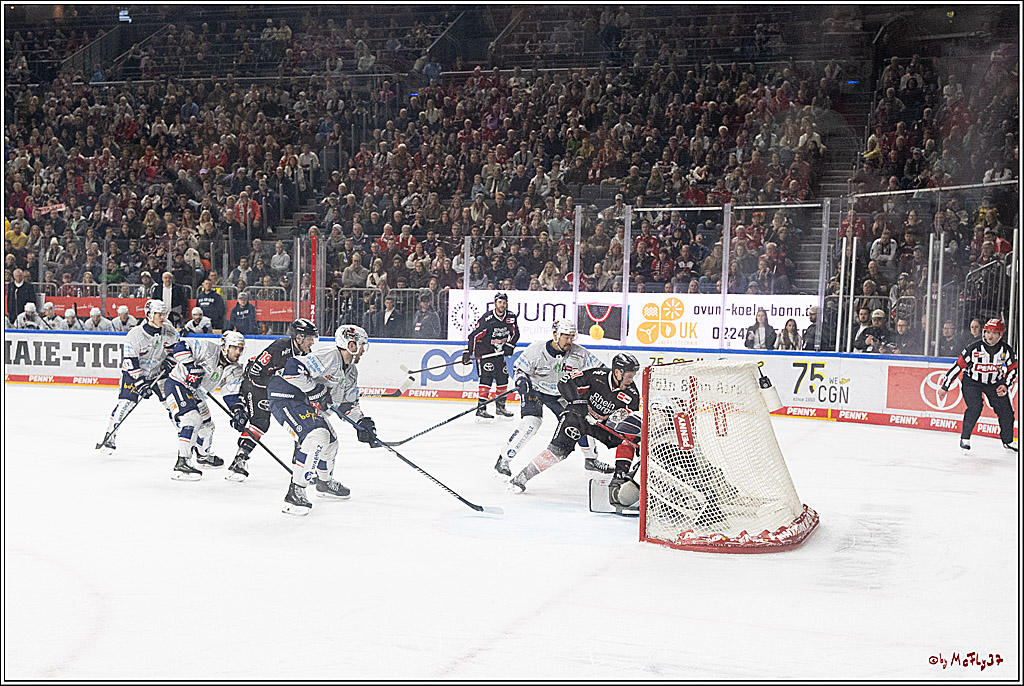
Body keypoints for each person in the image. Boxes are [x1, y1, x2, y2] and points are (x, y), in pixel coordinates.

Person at [268, 325, 377, 515]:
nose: (363, 351)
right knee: (318, 436)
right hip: (285, 395)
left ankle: (324, 483)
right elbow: (292, 368)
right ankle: (295, 493)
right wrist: (314, 390)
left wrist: (362, 423)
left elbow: (347, 405)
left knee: (331, 443)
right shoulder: (330, 357)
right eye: (361, 346)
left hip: (305, 404)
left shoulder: (351, 372)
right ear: (351, 345)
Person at [509, 353, 641, 493]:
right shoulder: (597, 375)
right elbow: (565, 382)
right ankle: (521, 477)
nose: (632, 380)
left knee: (626, 439)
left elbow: (629, 424)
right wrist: (580, 405)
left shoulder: (632, 395)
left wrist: (630, 434)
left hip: (601, 426)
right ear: (617, 372)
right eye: (630, 376)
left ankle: (619, 476)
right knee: (558, 451)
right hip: (578, 418)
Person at [495, 318, 609, 480]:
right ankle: (504, 460)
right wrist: (521, 381)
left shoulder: (579, 353)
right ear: (555, 334)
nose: (569, 341)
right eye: (565, 336)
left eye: (572, 337)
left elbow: (602, 370)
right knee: (531, 424)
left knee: (580, 422)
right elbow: (519, 369)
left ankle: (591, 460)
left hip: (560, 394)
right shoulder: (536, 350)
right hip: (535, 390)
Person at [228, 318, 319, 481]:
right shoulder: (278, 348)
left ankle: (300, 461)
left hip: (277, 387)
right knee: (260, 422)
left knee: (303, 418)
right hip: (255, 384)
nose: (312, 342)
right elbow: (255, 373)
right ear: (299, 337)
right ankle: (239, 460)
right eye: (310, 338)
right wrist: (279, 384)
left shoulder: (305, 354)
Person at [161, 330, 247, 479]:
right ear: (225, 346)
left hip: (196, 394)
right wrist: (190, 366)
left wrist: (238, 410)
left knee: (207, 427)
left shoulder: (236, 369)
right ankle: (182, 462)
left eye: (241, 348)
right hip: (178, 384)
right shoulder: (208, 349)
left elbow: (231, 393)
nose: (238, 352)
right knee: (192, 419)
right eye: (234, 347)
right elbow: (181, 346)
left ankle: (203, 457)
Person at [98, 299, 180, 452]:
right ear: (148, 314)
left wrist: (170, 360)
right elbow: (130, 361)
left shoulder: (170, 331)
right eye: (158, 314)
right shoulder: (135, 335)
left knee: (172, 404)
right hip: (134, 374)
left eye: (164, 314)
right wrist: (141, 383)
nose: (162, 317)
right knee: (126, 404)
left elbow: (177, 350)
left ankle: (185, 437)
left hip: (158, 373)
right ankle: (110, 435)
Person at [939, 319, 1017, 453]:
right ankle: (965, 438)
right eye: (987, 332)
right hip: (972, 382)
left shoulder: (1006, 350)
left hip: (995, 383)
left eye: (994, 333)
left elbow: (1014, 369)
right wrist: (945, 386)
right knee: (975, 407)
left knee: (1006, 412)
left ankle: (1008, 440)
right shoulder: (973, 349)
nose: (990, 336)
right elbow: (958, 366)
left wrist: (1005, 384)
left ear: (1001, 335)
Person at [463, 292, 520, 419]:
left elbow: (516, 333)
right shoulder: (487, 319)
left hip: (499, 353)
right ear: (495, 304)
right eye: (500, 302)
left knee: (503, 378)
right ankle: (481, 408)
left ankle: (500, 407)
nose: (502, 305)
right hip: (485, 352)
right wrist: (469, 352)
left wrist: (510, 345)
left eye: (504, 302)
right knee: (486, 378)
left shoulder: (511, 317)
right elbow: (473, 336)